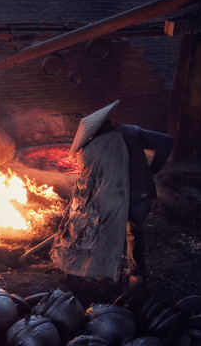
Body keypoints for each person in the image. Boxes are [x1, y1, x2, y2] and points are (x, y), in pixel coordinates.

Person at [50, 100, 173, 289]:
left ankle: (104, 274)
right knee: (135, 234)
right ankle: (137, 277)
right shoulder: (131, 132)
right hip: (140, 197)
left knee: (104, 235)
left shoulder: (90, 151)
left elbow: (87, 185)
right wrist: (152, 169)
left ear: (92, 134)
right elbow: (166, 141)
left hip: (110, 203)